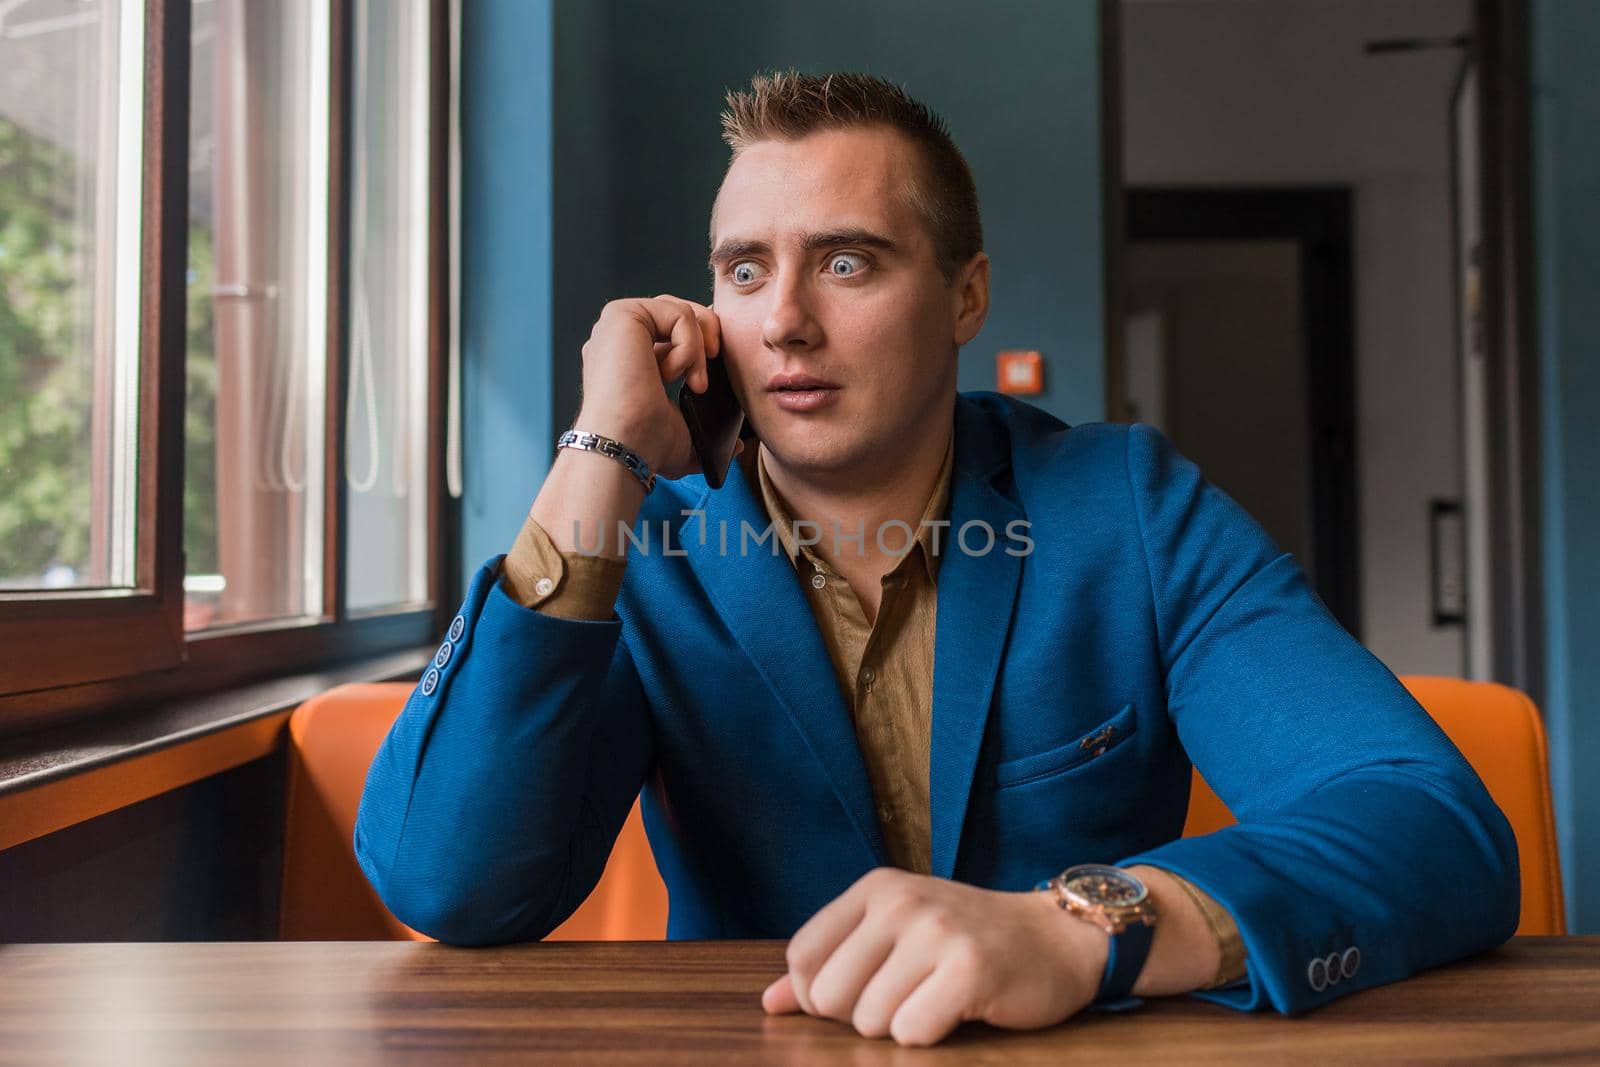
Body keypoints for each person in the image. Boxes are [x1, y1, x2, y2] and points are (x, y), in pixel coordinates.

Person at [355, 70, 1519, 1047]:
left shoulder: (1127, 506)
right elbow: (448, 880)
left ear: (966, 296)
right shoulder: (648, 544)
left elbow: (1431, 824)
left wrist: (1083, 927)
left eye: (848, 262)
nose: (785, 322)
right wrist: (599, 448)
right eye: (745, 270)